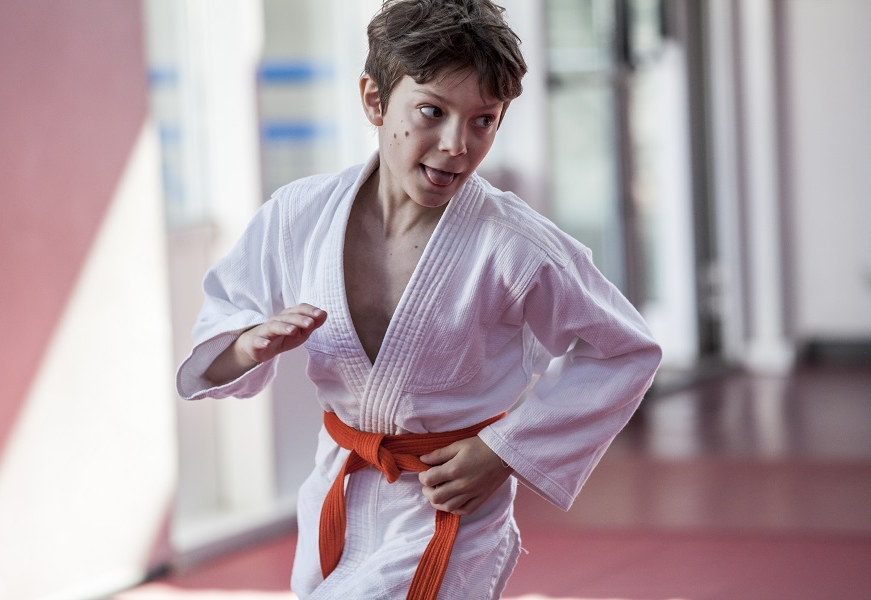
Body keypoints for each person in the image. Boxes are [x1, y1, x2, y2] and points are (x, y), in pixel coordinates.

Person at [176, 0, 662, 598]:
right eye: (432, 111)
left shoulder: (514, 244)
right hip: (339, 489)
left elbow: (624, 349)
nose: (458, 144)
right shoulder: (298, 216)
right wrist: (247, 345)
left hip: (448, 504)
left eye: (484, 120)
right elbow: (222, 325)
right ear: (374, 100)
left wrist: (505, 451)